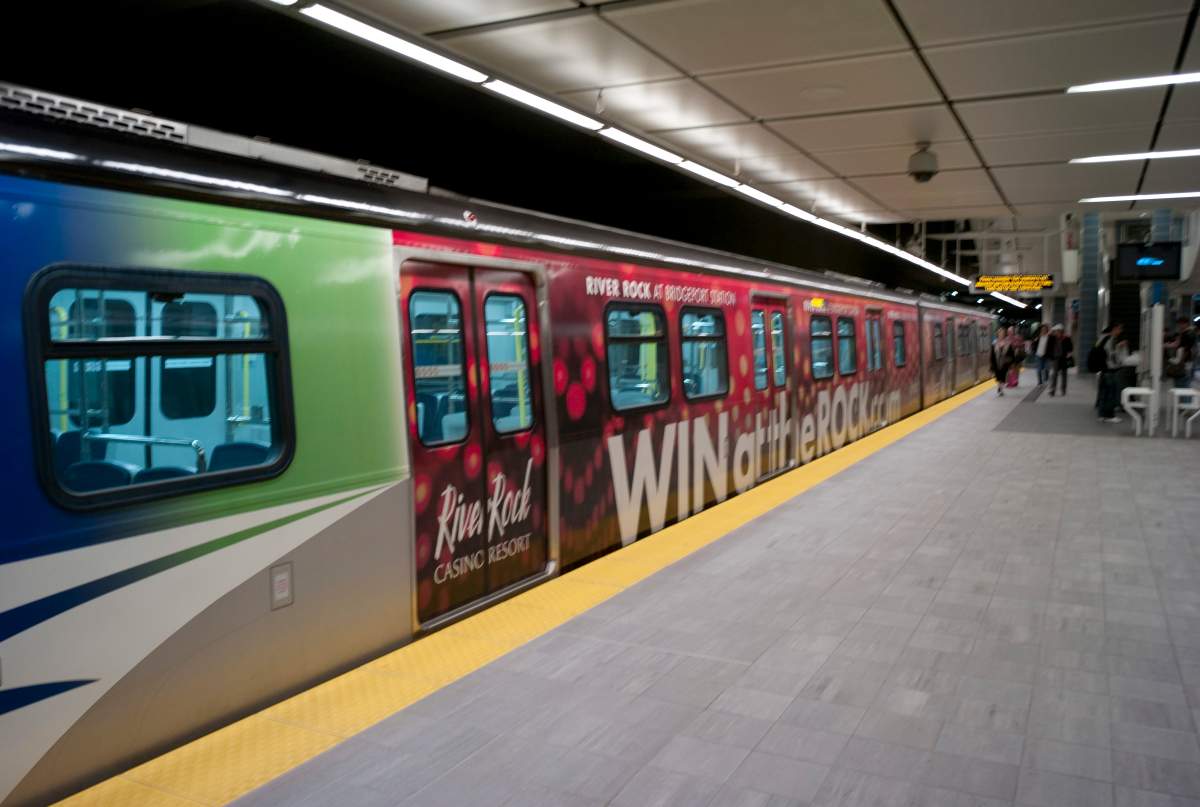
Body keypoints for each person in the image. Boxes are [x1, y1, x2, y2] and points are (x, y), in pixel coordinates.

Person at [1096, 323, 1124, 422]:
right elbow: (1111, 354)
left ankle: (1101, 415)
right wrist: (1119, 362)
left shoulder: (1102, 337)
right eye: (1120, 329)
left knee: (1104, 392)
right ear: (1115, 329)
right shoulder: (1110, 339)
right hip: (1110, 369)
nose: (1120, 332)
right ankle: (1109, 415)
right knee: (1111, 392)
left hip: (1103, 369)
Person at [1049, 324, 1072, 396]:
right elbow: (1048, 337)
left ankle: (1063, 389)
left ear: (1062, 332)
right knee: (1054, 374)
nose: (1058, 333)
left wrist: (1068, 352)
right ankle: (1052, 389)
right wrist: (1052, 331)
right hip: (1055, 358)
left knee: (1064, 375)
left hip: (1064, 358)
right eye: (1056, 331)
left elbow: (1071, 348)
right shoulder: (1052, 338)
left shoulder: (1067, 338)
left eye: (1059, 331)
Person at [991, 326, 1014, 396]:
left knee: (1003, 376)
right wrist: (991, 364)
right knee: (998, 377)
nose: (1001, 334)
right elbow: (992, 354)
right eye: (1000, 333)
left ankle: (1001, 388)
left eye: (1002, 333)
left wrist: (1011, 365)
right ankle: (999, 387)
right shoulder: (994, 343)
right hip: (996, 362)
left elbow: (1011, 354)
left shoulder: (1008, 343)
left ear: (1004, 334)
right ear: (997, 334)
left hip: (1005, 362)